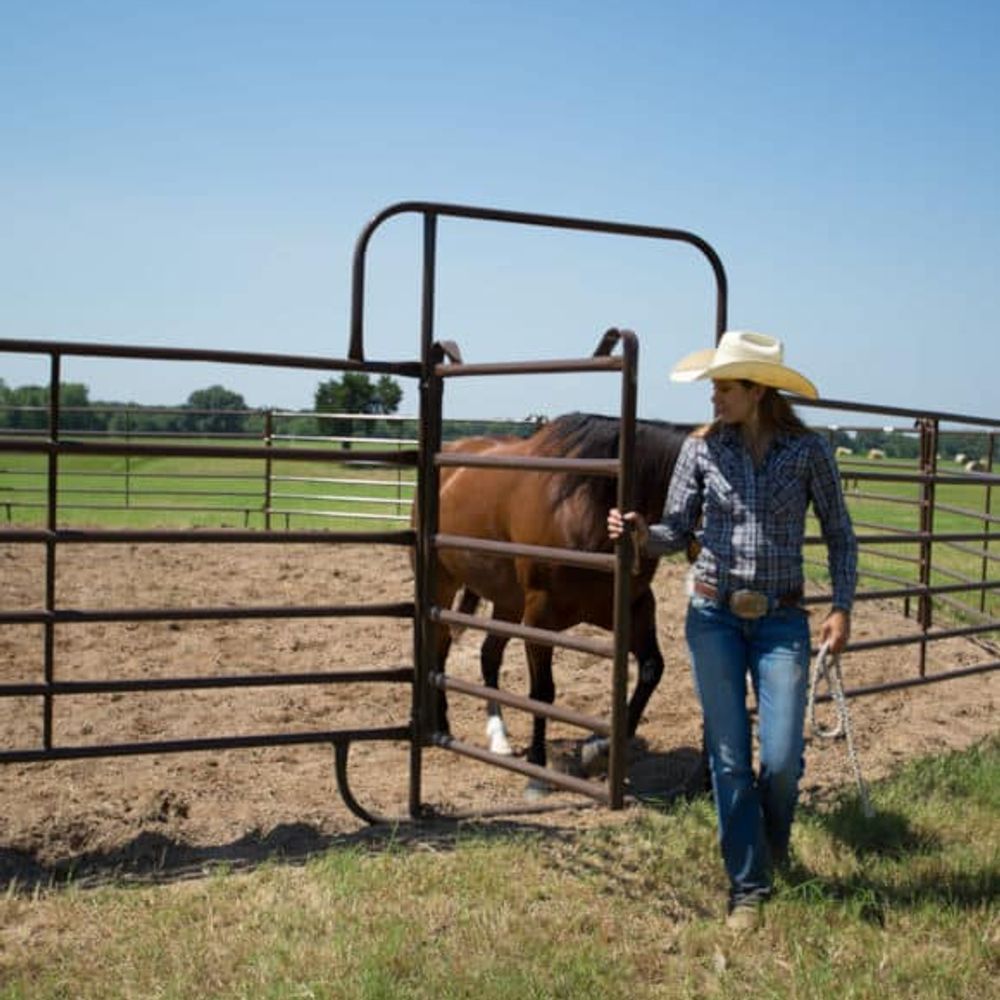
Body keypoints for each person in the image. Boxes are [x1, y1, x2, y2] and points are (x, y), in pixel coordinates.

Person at [608, 330, 857, 931]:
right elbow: (675, 531)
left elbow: (841, 534)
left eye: (724, 387)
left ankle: (771, 842)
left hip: (782, 621)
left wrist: (842, 606)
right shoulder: (700, 451)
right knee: (727, 755)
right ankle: (748, 885)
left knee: (780, 758)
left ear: (757, 390)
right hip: (713, 615)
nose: (714, 397)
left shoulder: (809, 453)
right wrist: (641, 532)